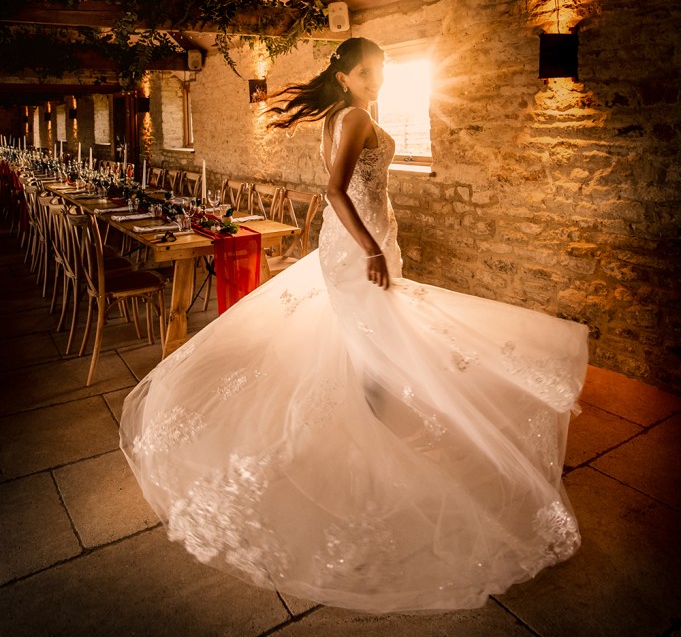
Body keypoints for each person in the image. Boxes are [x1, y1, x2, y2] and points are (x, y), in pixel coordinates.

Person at [120, 37, 588, 614]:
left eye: (382, 73)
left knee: (367, 346)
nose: (378, 82)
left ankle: (371, 427)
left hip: (366, 238)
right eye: (369, 74)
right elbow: (335, 190)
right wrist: (369, 246)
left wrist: (377, 240)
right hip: (358, 243)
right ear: (344, 78)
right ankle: (363, 447)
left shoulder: (345, 115)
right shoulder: (356, 116)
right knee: (372, 345)